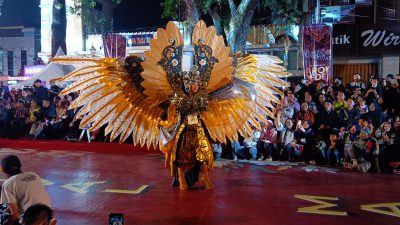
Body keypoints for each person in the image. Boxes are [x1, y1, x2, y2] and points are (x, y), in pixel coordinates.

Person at [0, 155, 51, 224]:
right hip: (47, 212)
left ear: (4, 169)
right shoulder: (34, 175)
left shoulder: (8, 184)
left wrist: (15, 222)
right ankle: (47, 220)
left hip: (31, 218)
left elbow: (14, 213)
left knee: (4, 214)